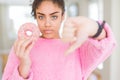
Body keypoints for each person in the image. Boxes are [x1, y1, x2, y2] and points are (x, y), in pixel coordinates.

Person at [2, 0, 116, 80]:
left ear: (63, 16)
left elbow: (105, 44)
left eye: (54, 16)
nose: (47, 23)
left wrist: (94, 27)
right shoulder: (23, 46)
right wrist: (24, 65)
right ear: (36, 17)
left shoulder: (76, 46)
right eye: (41, 16)